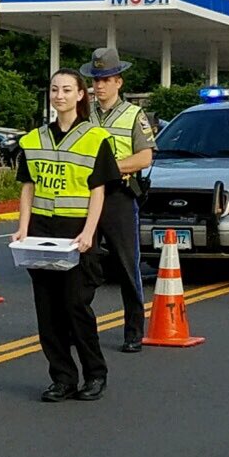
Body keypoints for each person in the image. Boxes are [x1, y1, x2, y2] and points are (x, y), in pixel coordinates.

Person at [13, 69, 120, 402]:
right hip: (42, 232)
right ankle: (62, 377)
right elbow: (28, 188)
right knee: (47, 311)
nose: (59, 95)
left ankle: (95, 374)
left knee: (75, 307)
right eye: (54, 89)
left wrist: (89, 232)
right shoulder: (33, 140)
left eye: (67, 90)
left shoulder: (96, 138)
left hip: (76, 233)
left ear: (80, 95)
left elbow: (98, 191)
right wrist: (22, 226)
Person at [82, 47, 156, 354]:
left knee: (127, 265)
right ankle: (81, 327)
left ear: (119, 83)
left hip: (118, 196)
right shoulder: (84, 114)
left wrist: (111, 168)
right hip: (86, 197)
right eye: (96, 79)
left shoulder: (133, 115)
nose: (99, 85)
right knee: (83, 263)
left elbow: (145, 156)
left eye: (106, 79)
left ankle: (134, 330)